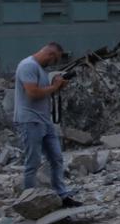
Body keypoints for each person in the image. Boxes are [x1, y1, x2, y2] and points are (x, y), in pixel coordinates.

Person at [13, 42, 80, 207]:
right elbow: (33, 93)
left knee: (56, 158)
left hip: (44, 120)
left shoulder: (40, 69)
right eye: (54, 59)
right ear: (50, 54)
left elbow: (44, 92)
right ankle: (29, 200)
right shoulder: (28, 66)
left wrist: (58, 87)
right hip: (30, 121)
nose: (53, 63)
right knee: (33, 162)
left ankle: (62, 195)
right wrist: (54, 86)